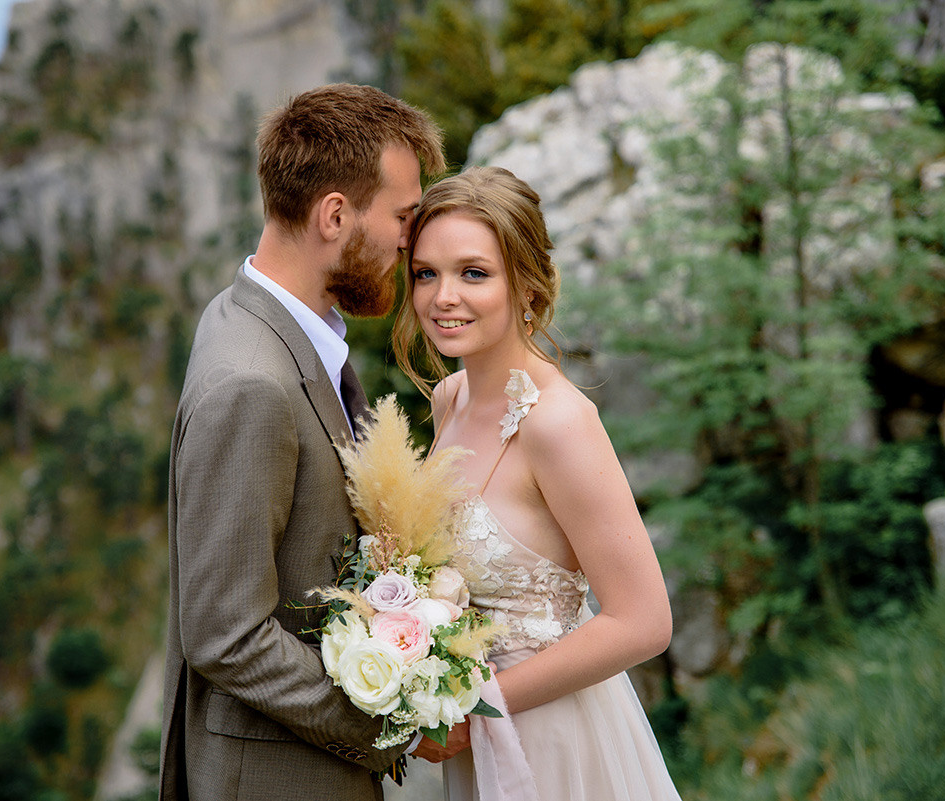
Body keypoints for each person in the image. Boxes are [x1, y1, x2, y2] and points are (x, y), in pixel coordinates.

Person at [159, 83, 454, 800]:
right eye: (404, 216)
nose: (412, 242)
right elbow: (224, 634)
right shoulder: (251, 384)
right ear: (333, 215)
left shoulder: (251, 312)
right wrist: (390, 719)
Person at [392, 166, 682, 800]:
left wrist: (477, 707)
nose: (443, 296)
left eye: (474, 273)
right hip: (468, 745)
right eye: (425, 273)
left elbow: (643, 622)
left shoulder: (559, 423)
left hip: (552, 741)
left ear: (526, 285)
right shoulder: (449, 399)